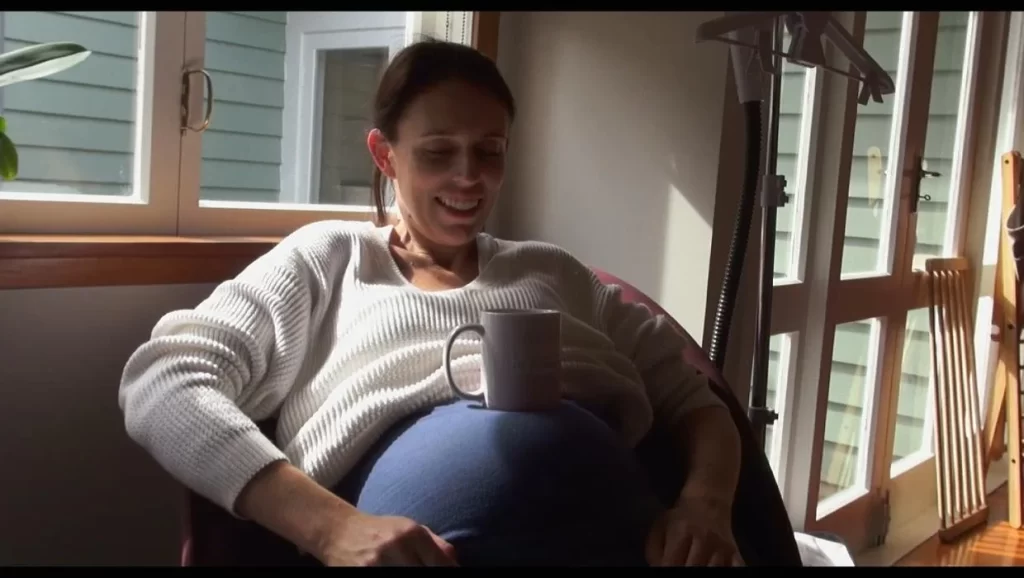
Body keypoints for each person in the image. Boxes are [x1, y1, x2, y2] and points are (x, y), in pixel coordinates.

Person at [118, 39, 744, 567]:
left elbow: (696, 401)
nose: (468, 176)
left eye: (489, 150)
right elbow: (163, 380)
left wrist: (705, 506)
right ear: (385, 154)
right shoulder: (329, 258)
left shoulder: (554, 270)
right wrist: (331, 529)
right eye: (439, 151)